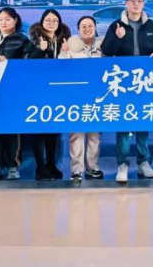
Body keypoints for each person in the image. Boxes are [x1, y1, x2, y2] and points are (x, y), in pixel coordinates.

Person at [100, 0, 153, 184]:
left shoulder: (152, 25)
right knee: (124, 123)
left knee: (143, 121)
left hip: (145, 82)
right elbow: (106, 51)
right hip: (123, 83)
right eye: (132, 0)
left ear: (143, 4)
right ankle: (122, 164)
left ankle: (143, 162)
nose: (136, 4)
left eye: (140, 1)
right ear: (126, 3)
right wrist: (117, 37)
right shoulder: (116, 25)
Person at [0, 7, 40, 180]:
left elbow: (28, 63)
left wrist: (9, 61)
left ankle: (12, 165)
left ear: (15, 20)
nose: (3, 22)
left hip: (12, 91)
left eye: (7, 19)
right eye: (0, 19)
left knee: (12, 130)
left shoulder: (22, 40)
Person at [59, 15, 104, 185]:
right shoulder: (70, 46)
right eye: (83, 26)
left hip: (97, 97)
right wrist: (64, 52)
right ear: (78, 29)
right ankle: (76, 170)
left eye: (90, 25)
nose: (87, 29)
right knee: (76, 135)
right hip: (76, 97)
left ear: (95, 27)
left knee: (94, 134)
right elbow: (61, 67)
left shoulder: (102, 45)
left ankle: (93, 167)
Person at [27, 9, 70, 180]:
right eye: (48, 20)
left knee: (53, 129)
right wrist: (40, 50)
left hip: (57, 90)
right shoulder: (34, 39)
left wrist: (66, 52)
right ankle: (40, 167)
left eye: (55, 20)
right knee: (38, 130)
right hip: (37, 90)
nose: (51, 23)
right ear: (42, 22)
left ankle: (51, 163)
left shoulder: (64, 40)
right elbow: (27, 63)